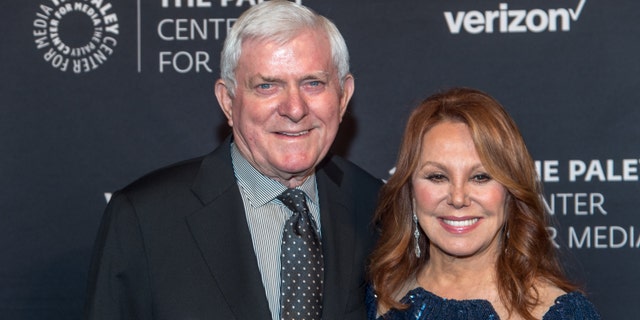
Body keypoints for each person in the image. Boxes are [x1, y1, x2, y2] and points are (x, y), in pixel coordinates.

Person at [84, 1, 382, 319]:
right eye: (267, 86)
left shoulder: (375, 206)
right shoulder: (144, 219)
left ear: (343, 96)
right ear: (228, 101)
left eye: (313, 84)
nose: (295, 109)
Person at [366, 88, 600, 320]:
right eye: (437, 176)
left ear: (510, 193)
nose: (458, 198)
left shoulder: (562, 314)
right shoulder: (375, 299)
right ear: (410, 191)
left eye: (480, 177)